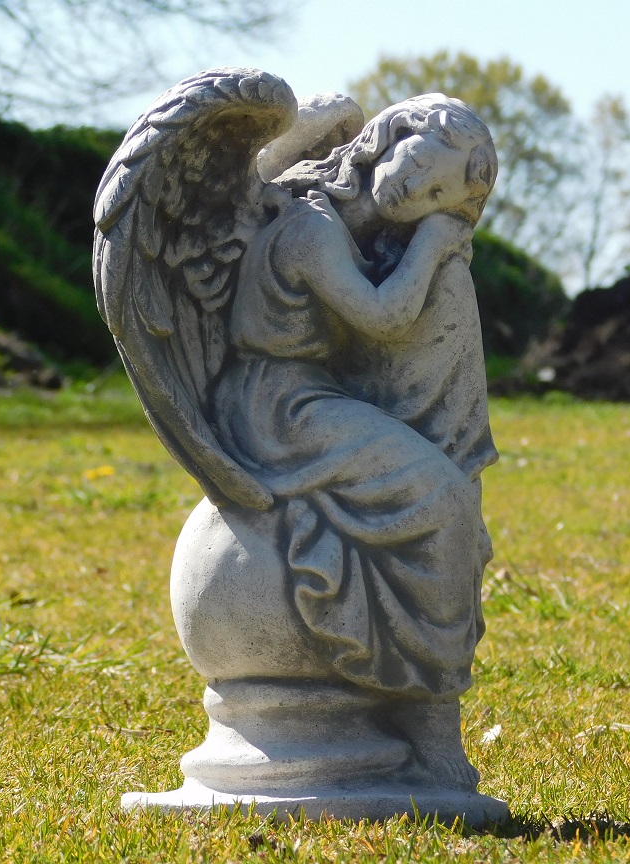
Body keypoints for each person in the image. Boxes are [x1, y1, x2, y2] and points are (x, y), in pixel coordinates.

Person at [212, 95, 498, 787]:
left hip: (301, 396)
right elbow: (385, 318)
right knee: (441, 499)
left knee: (446, 489)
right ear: (389, 137)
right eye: (418, 164)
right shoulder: (312, 226)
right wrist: (433, 242)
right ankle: (429, 711)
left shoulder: (345, 226)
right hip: (279, 407)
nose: (415, 192)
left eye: (438, 196)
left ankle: (415, 700)